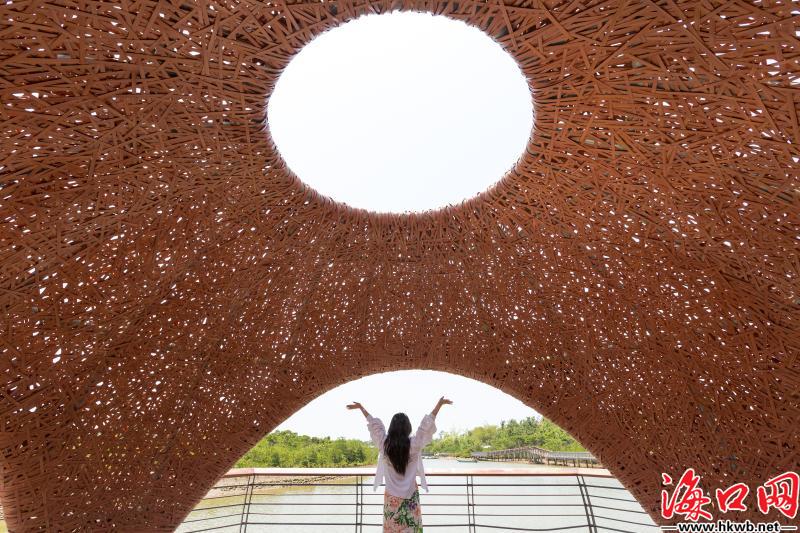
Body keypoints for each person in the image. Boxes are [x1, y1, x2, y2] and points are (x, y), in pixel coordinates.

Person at [347, 397, 453, 532]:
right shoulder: (414, 444)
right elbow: (425, 426)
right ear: (408, 427)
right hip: (410, 495)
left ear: (391, 427)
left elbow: (374, 426)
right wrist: (439, 405)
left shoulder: (384, 444)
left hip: (391, 497)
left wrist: (361, 408)